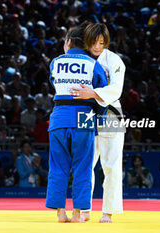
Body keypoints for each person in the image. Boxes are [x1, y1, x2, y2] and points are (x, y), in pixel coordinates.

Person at [45, 26, 108, 223]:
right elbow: (102, 97)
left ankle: (60, 212)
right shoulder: (93, 64)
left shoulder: (55, 63)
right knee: (83, 166)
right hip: (84, 117)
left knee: (58, 166)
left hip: (59, 118)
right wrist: (99, 120)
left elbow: (55, 84)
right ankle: (79, 213)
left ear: (69, 42)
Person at [71, 23, 126, 223]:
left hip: (110, 113)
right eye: (93, 42)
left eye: (101, 43)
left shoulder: (114, 60)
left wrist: (93, 93)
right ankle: (84, 208)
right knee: (85, 163)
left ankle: (108, 212)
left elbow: (116, 89)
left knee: (111, 165)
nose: (97, 47)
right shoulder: (81, 60)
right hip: (86, 114)